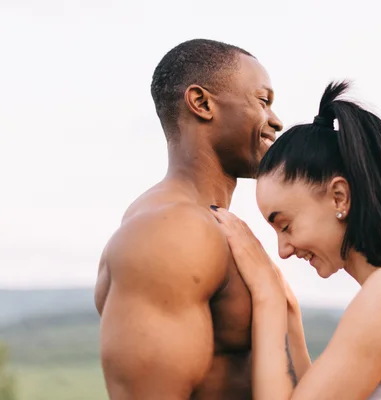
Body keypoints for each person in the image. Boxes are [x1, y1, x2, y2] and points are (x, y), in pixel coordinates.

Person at [210, 81, 381, 399]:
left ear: (339, 197)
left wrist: (266, 295)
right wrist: (286, 307)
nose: (283, 251)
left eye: (285, 226)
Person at [94, 38, 283, 399]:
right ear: (201, 103)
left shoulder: (203, 223)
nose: (276, 120)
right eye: (263, 101)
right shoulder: (172, 232)